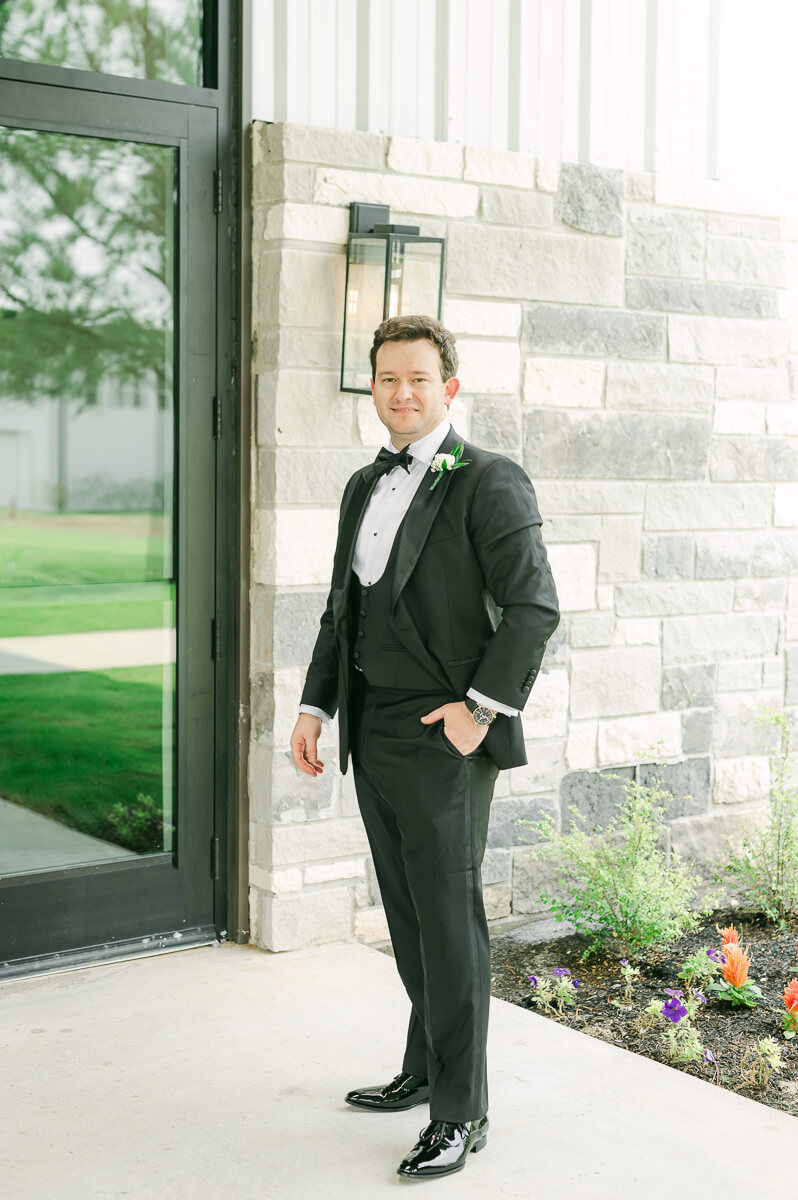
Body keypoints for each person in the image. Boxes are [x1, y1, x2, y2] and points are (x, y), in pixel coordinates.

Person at [290, 314, 560, 1181]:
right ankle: (423, 1071)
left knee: (449, 925)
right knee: (407, 918)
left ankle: (461, 1111)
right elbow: (345, 606)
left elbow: (533, 608)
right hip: (370, 730)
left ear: (448, 389)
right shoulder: (362, 485)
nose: (400, 394)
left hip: (446, 736)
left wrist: (476, 713)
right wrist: (315, 705)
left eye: (417, 379)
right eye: (385, 380)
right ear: (371, 389)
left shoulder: (490, 481)